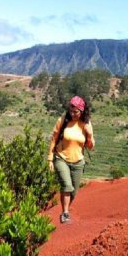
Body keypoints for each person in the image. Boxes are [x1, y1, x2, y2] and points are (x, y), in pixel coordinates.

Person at [47, 95, 95, 223]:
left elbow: (90, 147)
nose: (73, 114)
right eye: (71, 111)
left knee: (73, 192)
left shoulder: (86, 124)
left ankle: (66, 210)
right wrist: (50, 159)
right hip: (61, 158)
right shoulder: (63, 120)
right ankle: (65, 214)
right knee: (67, 186)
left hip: (78, 162)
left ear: (82, 111)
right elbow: (54, 139)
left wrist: (89, 135)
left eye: (76, 112)